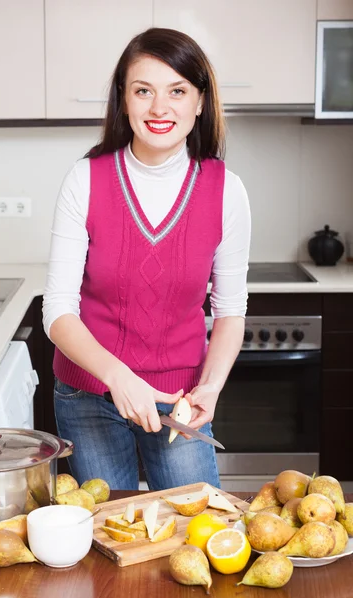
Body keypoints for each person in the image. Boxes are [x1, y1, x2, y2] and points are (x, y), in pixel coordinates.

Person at [43, 28, 251, 492]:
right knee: (105, 541)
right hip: (88, 394)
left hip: (179, 400)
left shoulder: (226, 191)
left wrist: (210, 388)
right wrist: (118, 376)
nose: (160, 108)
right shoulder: (85, 180)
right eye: (144, 91)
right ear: (124, 100)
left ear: (199, 101)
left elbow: (230, 312)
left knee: (193, 536)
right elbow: (57, 310)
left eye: (177, 91)